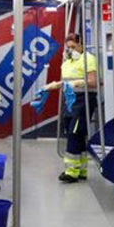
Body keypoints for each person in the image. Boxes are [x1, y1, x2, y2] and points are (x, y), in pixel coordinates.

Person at [44, 33, 98, 183]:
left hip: (84, 100)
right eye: (68, 48)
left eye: (73, 47)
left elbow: (95, 82)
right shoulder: (67, 62)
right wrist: (55, 85)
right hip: (69, 100)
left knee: (75, 133)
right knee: (74, 133)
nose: (70, 50)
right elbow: (66, 81)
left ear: (80, 45)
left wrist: (80, 82)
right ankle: (81, 170)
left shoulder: (88, 59)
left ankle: (71, 172)